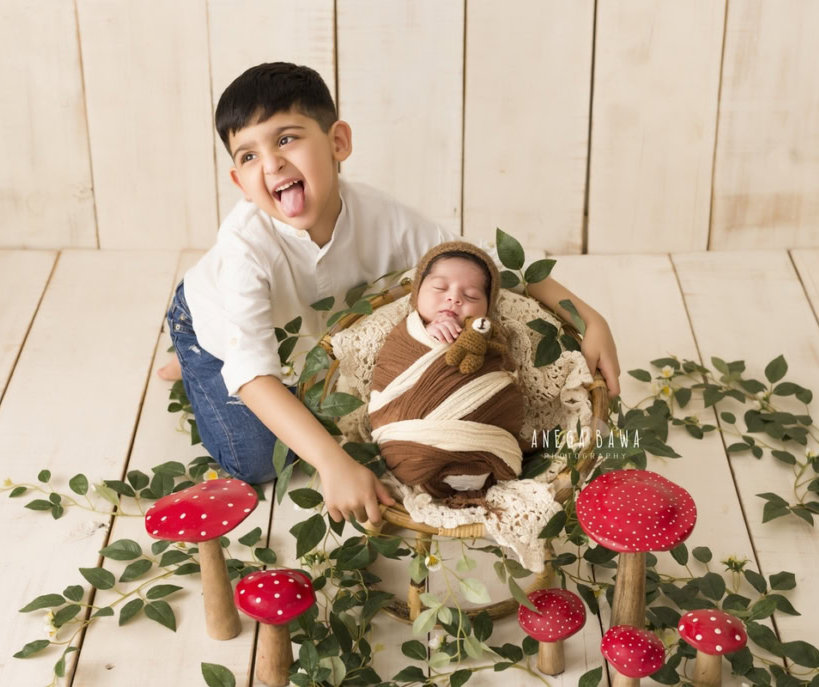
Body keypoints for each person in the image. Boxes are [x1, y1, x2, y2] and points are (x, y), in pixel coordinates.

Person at [159, 62, 622, 526]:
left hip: (302, 338)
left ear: (338, 142)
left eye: (285, 139)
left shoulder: (381, 217)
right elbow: (256, 376)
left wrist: (588, 318)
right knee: (261, 459)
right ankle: (196, 356)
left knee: (355, 398)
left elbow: (475, 259)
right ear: (240, 183)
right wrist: (335, 464)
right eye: (248, 156)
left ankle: (232, 359)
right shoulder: (244, 245)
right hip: (208, 318)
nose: (271, 163)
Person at [368, 241, 523, 502]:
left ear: (487, 309)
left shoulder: (486, 334)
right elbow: (388, 373)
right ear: (417, 293)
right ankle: (438, 463)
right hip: (406, 441)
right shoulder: (406, 334)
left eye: (471, 296)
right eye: (440, 288)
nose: (454, 298)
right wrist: (429, 335)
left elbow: (505, 371)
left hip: (484, 439)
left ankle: (469, 465)